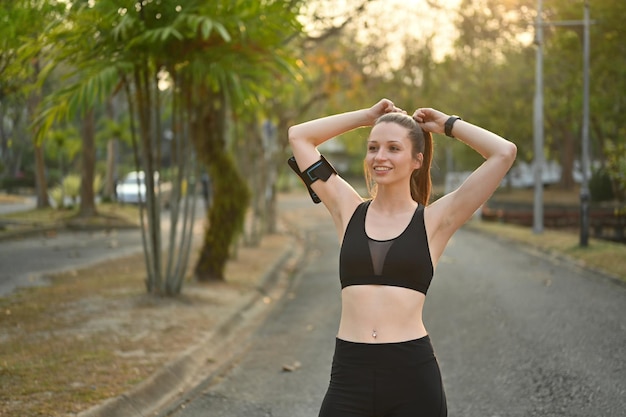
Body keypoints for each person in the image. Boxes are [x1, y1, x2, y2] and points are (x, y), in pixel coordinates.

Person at [288, 98, 517, 417]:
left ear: (417, 160)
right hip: (349, 375)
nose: (380, 157)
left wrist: (448, 124)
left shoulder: (436, 221)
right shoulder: (346, 208)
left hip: (412, 377)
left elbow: (504, 152)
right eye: (373, 148)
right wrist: (366, 116)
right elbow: (299, 135)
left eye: (393, 148)